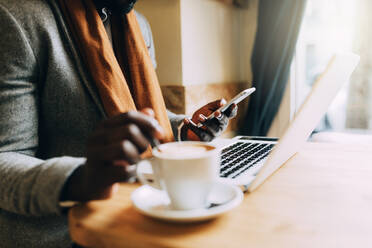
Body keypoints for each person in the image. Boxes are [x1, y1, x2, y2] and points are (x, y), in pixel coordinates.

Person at [0, 0, 237, 247]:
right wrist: (81, 178)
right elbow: (5, 157)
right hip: (65, 234)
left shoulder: (139, 25)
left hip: (141, 210)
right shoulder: (17, 19)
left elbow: (140, 111)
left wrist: (184, 130)